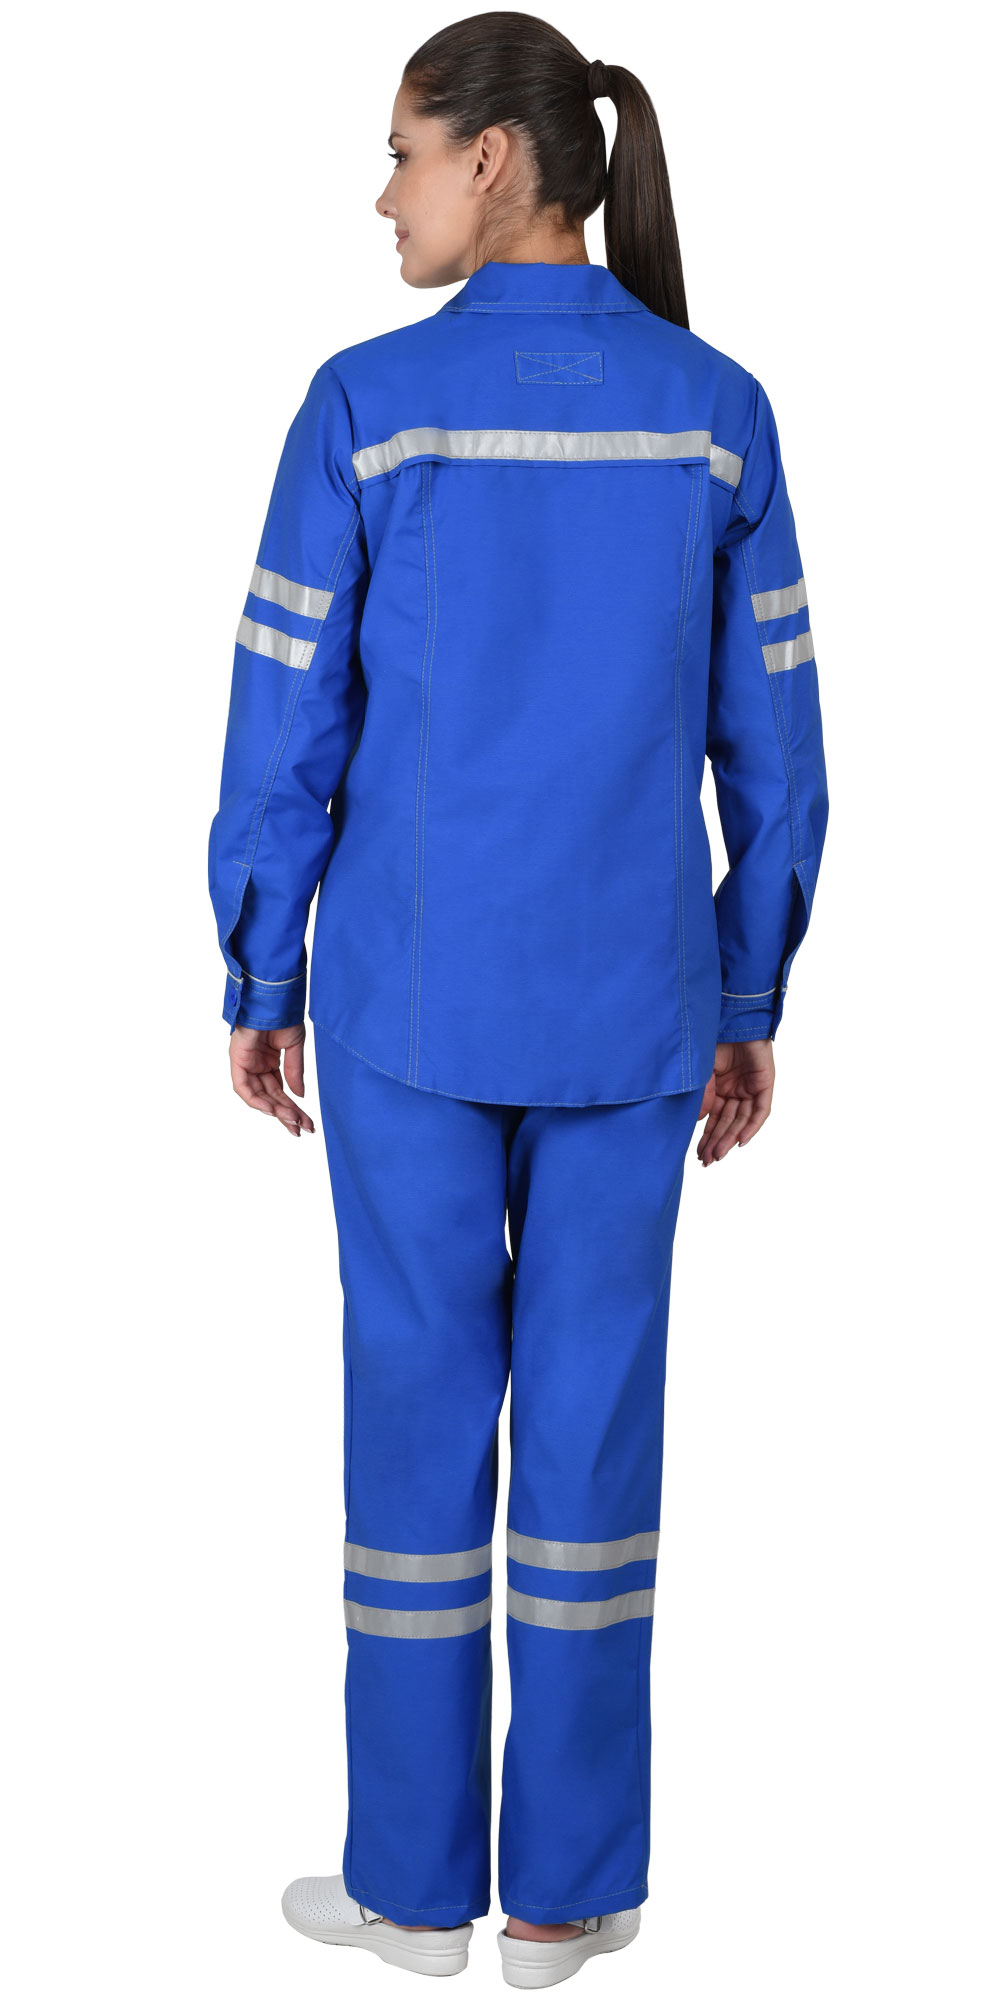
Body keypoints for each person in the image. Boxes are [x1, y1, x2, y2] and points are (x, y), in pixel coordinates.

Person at [208, 11, 829, 1986]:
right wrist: (748, 986)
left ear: (493, 160)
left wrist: (257, 959)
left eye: (401, 150)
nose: (381, 193)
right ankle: (563, 1898)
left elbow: (285, 717)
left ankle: (411, 1895)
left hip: (404, 1009)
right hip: (636, 1013)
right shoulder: (715, 414)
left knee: (414, 1429)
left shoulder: (366, 406)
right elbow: (776, 745)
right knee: (591, 1441)